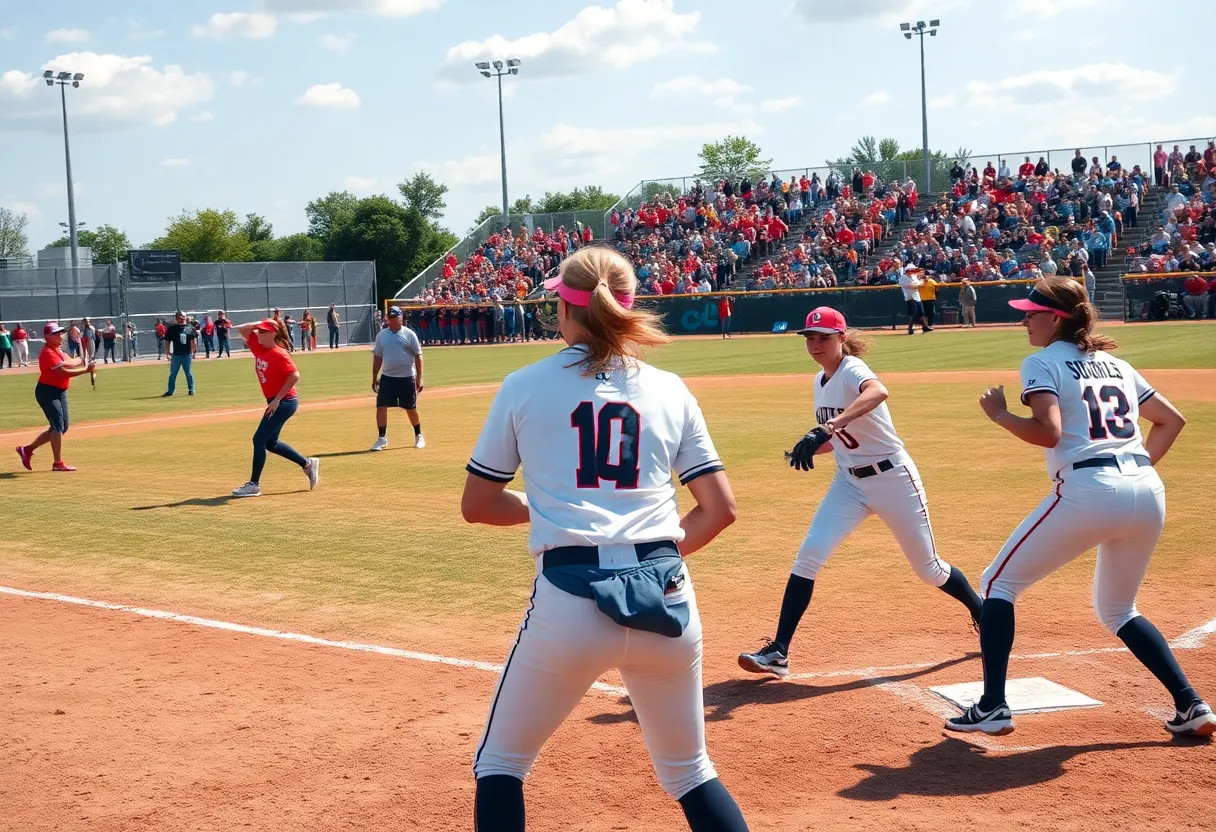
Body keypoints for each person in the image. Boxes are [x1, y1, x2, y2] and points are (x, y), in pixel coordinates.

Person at [463, 247, 749, 832]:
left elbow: (479, 506)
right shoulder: (670, 388)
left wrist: (554, 510)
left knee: (501, 765)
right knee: (691, 773)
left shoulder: (524, 385)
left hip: (569, 602)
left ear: (562, 309)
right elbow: (719, 510)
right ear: (630, 304)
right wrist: (646, 560)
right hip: (667, 598)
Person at [948, 277, 1214, 738]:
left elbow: (1047, 432)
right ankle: (1190, 704)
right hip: (1146, 489)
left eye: (1031, 312)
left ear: (1057, 318)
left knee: (997, 583)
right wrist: (1131, 467)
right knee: (1118, 609)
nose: (1024, 319)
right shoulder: (1116, 364)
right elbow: (1172, 420)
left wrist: (999, 415)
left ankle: (992, 706)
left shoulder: (1041, 361)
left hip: (1089, 488)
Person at [738, 307, 983, 678]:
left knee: (929, 569)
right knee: (808, 556)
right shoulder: (819, 381)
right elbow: (842, 439)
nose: (815, 344)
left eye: (823, 337)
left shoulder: (852, 369)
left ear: (841, 338)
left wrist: (829, 426)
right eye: (810, 337)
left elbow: (879, 391)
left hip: (893, 480)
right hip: (849, 483)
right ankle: (779, 651)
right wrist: (809, 447)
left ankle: (982, 611)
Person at [229, 319, 319, 498]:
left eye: (263, 332)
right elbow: (239, 329)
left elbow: (294, 375)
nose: (258, 334)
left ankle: (254, 485)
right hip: (276, 401)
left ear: (273, 334)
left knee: (258, 440)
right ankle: (307, 464)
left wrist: (277, 399)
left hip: (284, 401)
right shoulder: (260, 348)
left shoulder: (279, 353)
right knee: (270, 443)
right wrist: (259, 324)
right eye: (259, 332)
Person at [15, 322, 95, 473]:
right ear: (47, 337)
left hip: (59, 392)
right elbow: (63, 371)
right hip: (47, 392)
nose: (60, 336)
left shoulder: (58, 351)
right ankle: (57, 463)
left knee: (61, 427)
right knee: (58, 425)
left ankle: (27, 450)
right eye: (56, 334)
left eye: (60, 333)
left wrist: (79, 360)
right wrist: (84, 369)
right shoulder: (47, 353)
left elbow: (71, 361)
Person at [369, 306, 425, 452]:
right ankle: (382, 438)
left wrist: (420, 378)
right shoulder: (382, 335)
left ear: (401, 318)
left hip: (407, 377)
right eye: (390, 318)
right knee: (381, 407)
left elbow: (418, 356)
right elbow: (378, 357)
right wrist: (375, 377)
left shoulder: (409, 334)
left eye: (395, 317)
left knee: (410, 408)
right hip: (388, 377)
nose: (393, 320)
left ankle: (418, 435)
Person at [162, 311, 197, 397]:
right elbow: (167, 340)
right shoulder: (172, 329)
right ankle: (170, 391)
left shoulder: (189, 328)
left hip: (187, 354)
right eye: (179, 317)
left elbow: (193, 340)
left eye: (183, 316)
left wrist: (194, 350)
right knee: (173, 374)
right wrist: (167, 352)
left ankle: (191, 389)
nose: (181, 318)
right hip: (176, 355)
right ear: (176, 318)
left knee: (188, 373)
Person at [898, 264, 929, 334]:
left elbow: (918, 283)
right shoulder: (903, 278)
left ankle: (925, 327)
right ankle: (910, 328)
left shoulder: (914, 276)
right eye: (912, 270)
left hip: (917, 296)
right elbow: (913, 285)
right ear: (908, 271)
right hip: (910, 297)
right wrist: (922, 282)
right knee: (914, 313)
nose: (914, 271)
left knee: (921, 312)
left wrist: (922, 281)